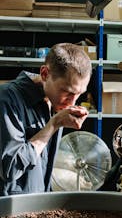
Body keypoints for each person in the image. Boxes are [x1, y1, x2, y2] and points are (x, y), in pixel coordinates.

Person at [0, 43, 92, 196]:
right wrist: (53, 125)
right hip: (9, 212)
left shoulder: (52, 102)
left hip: (37, 207)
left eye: (79, 94)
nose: (72, 102)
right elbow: (11, 168)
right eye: (67, 92)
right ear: (44, 74)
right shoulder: (7, 100)